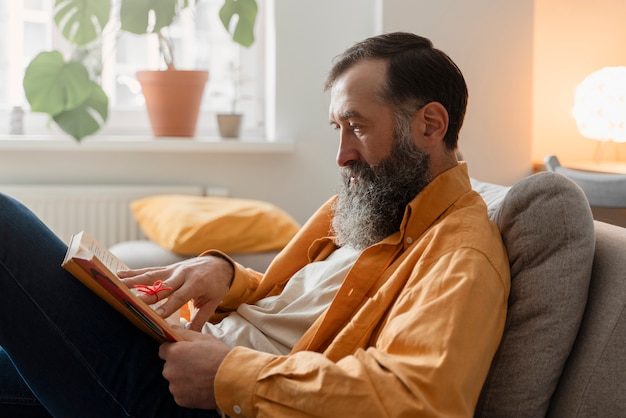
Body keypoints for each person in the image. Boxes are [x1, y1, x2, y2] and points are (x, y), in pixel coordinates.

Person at [0, 32, 510, 417]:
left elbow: (421, 398)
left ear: (430, 125)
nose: (342, 154)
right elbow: (284, 303)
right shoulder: (366, 207)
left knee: (5, 225)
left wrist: (227, 375)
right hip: (184, 356)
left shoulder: (461, 253)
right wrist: (226, 276)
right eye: (338, 128)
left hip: (197, 401)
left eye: (357, 126)